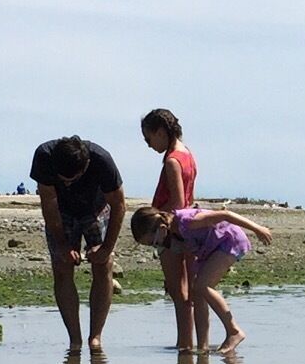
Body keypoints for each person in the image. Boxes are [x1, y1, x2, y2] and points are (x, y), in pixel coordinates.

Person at [129, 203, 272, 350]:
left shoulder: (188, 222)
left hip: (229, 241)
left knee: (203, 285)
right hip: (210, 249)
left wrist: (257, 229)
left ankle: (234, 330)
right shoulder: (174, 231)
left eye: (154, 243)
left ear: (162, 229)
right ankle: (203, 347)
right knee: (197, 293)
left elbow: (226, 215)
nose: (157, 246)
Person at [30, 134, 127, 349]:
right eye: (62, 179)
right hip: (62, 212)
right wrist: (63, 245)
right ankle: (74, 339)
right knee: (62, 267)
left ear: (86, 167)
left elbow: (119, 205)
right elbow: (48, 203)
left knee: (103, 265)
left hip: (96, 209)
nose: (66, 183)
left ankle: (95, 338)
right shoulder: (44, 157)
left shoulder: (102, 160)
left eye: (71, 179)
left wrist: (106, 248)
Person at [141, 108, 202, 349]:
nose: (148, 145)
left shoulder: (172, 160)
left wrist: (154, 215)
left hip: (171, 230)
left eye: (148, 138)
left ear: (160, 132)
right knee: (189, 291)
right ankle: (191, 343)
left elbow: (177, 203)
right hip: (188, 227)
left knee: (178, 292)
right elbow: (189, 198)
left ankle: (184, 344)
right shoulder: (188, 154)